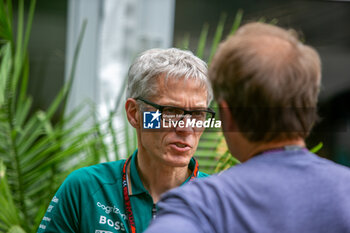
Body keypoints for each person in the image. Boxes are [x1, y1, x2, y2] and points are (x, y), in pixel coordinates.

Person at [145, 22, 350, 233]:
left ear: (227, 115)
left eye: (197, 114)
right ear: (309, 112)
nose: (185, 127)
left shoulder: (201, 205)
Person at [37, 48, 215, 233]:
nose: (186, 127)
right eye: (170, 112)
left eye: (197, 114)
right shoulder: (85, 189)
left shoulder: (222, 202)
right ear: (134, 113)